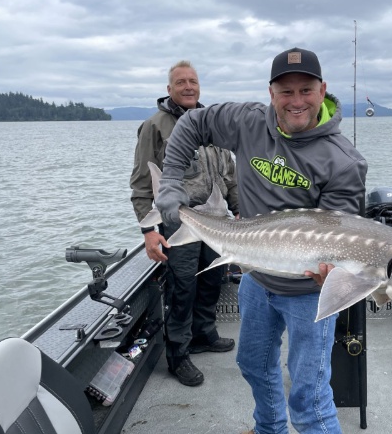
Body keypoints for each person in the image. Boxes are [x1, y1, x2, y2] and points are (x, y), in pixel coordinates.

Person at [156, 48, 367, 433]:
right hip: (255, 276)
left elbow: (340, 239)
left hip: (309, 294)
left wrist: (336, 276)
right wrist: (170, 180)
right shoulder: (247, 121)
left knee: (310, 395)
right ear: (271, 93)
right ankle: (269, 428)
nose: (296, 101)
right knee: (252, 364)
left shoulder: (343, 161)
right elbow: (191, 125)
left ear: (323, 90)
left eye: (306, 90)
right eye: (286, 92)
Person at [129, 60, 239, 387]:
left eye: (193, 81)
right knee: (182, 288)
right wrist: (149, 231)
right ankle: (178, 354)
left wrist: (242, 211)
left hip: (219, 225)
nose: (188, 86)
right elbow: (141, 185)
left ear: (199, 86)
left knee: (212, 281)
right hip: (180, 226)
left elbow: (230, 177)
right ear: (169, 89)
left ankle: (204, 334)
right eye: (181, 82)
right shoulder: (155, 126)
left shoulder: (213, 124)